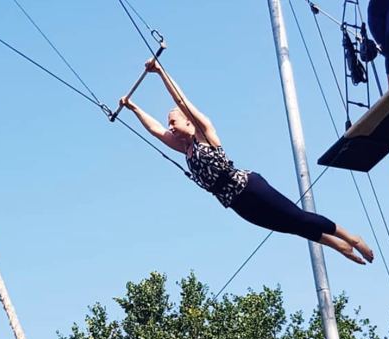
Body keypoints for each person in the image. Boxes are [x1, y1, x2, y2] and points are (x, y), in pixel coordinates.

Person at [119, 59, 374, 265]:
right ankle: (338, 246)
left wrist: (161, 72)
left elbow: (181, 101)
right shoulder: (185, 150)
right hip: (236, 203)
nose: (169, 127)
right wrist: (133, 108)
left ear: (188, 121)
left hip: (249, 187)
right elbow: (154, 130)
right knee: (291, 227)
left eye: (173, 122)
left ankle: (350, 237)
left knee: (298, 217)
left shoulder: (203, 134)